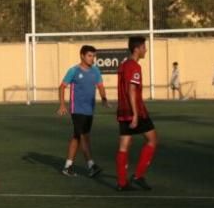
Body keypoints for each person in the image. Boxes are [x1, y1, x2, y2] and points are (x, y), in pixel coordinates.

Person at [57, 45, 109, 177]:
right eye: (90, 56)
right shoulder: (73, 71)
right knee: (84, 136)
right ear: (82, 56)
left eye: (94, 56)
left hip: (89, 110)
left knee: (77, 137)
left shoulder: (95, 71)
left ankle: (67, 166)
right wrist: (62, 105)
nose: (93, 58)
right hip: (77, 110)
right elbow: (62, 87)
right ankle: (91, 165)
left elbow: (100, 86)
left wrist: (104, 98)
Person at [115, 36, 157, 191]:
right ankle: (138, 176)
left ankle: (121, 182)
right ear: (137, 49)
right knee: (152, 140)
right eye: (144, 47)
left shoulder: (123, 65)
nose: (146, 50)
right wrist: (136, 114)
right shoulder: (134, 66)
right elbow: (131, 90)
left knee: (124, 145)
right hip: (135, 110)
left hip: (122, 110)